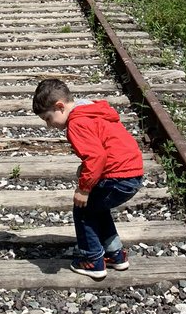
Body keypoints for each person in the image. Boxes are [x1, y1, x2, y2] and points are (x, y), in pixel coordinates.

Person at [31, 77, 144, 279]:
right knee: (97, 208)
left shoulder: (77, 124)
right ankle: (115, 254)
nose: (49, 126)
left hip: (117, 175)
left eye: (48, 119)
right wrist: (85, 169)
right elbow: (104, 147)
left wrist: (83, 188)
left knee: (83, 210)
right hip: (131, 173)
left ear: (60, 106)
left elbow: (97, 156)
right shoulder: (92, 112)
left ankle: (92, 259)